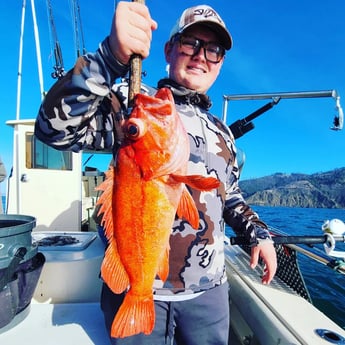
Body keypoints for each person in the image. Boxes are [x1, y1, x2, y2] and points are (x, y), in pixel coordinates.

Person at [35, 2, 277, 344]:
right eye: (191, 43)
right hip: (139, 284)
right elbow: (53, 130)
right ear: (169, 48)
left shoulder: (223, 132)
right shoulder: (135, 104)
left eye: (214, 50)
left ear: (221, 63)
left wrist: (258, 234)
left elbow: (231, 195)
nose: (201, 56)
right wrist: (109, 59)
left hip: (208, 293)